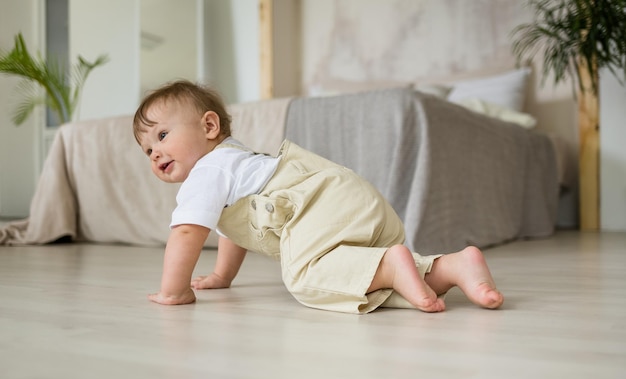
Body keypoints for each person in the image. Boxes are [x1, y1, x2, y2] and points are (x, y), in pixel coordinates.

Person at [133, 80, 504, 314]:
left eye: (162, 136)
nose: (156, 153)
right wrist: (221, 275)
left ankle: (392, 264)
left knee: (307, 278)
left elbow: (186, 233)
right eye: (147, 150)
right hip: (341, 196)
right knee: (355, 277)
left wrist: (175, 291)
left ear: (209, 126)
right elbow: (234, 229)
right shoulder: (235, 161)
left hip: (315, 206)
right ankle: (452, 267)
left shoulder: (207, 172)